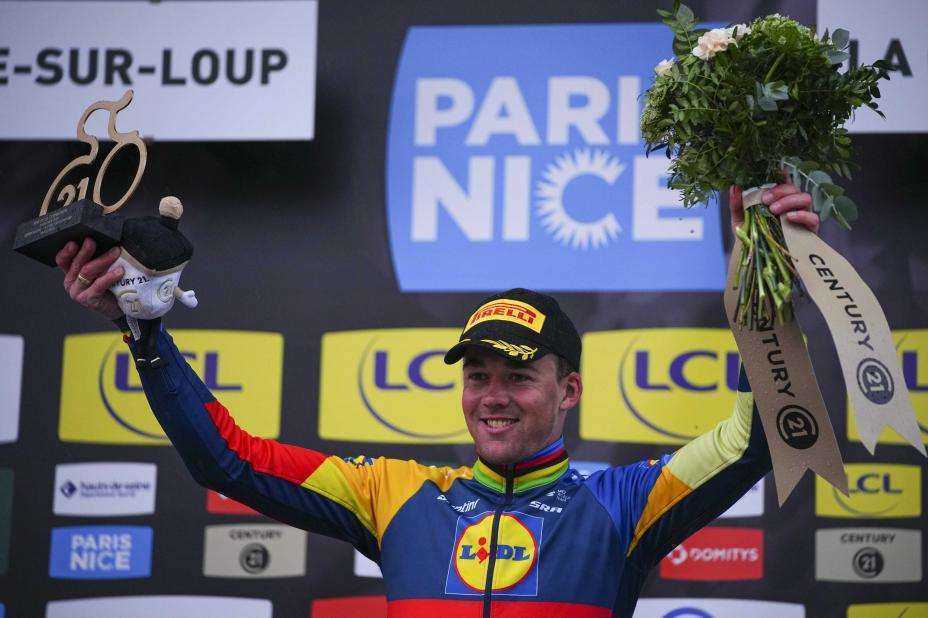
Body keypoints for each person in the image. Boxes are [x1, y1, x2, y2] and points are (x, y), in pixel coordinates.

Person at [56, 183, 819, 617]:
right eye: (477, 375)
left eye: (517, 376)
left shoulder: (623, 504)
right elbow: (227, 461)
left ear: (569, 390)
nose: (493, 397)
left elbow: (756, 438)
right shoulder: (394, 495)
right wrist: (144, 331)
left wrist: (765, 277)